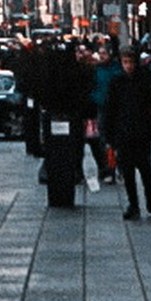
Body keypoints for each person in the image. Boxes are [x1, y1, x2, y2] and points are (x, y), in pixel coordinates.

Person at [111, 47, 151, 218]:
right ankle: (133, 204)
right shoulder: (117, 82)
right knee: (127, 171)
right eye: (125, 62)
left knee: (145, 168)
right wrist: (110, 134)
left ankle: (149, 196)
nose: (128, 66)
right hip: (124, 132)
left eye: (130, 62)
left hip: (142, 131)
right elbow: (110, 109)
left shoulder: (145, 80)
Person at [41, 47, 95, 207]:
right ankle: (69, 185)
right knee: (70, 156)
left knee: (56, 158)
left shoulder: (49, 76)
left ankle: (56, 194)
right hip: (72, 120)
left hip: (55, 119)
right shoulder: (78, 73)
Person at [92, 44, 120, 185]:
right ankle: (107, 169)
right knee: (103, 141)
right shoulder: (97, 69)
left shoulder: (116, 70)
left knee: (114, 141)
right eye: (100, 53)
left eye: (104, 53)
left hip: (115, 109)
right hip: (101, 108)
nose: (101, 56)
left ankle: (114, 168)